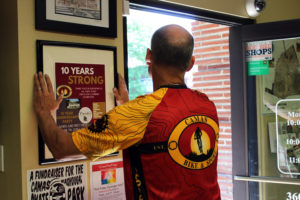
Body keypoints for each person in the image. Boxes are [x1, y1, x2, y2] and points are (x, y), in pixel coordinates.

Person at [34, 24, 220, 200]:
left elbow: (60, 147)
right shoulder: (207, 105)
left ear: (149, 55)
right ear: (190, 63)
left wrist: (44, 111)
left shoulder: (138, 113)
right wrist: (127, 109)